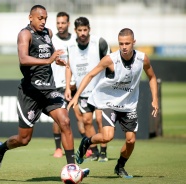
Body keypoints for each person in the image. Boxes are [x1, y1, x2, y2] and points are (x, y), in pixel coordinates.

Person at [0, 5, 89, 177]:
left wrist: (56, 60)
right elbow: (23, 59)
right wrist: (49, 60)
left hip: (49, 89)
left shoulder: (48, 33)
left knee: (65, 121)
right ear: (31, 17)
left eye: (45, 18)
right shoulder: (25, 34)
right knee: (24, 139)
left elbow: (48, 55)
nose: (43, 21)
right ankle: (1, 148)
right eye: (40, 18)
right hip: (30, 92)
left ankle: (72, 168)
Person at [67, 28, 159, 178]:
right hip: (109, 102)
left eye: (127, 43)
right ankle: (86, 142)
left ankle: (120, 167)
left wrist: (155, 99)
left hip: (129, 105)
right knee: (107, 137)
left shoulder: (143, 59)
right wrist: (76, 95)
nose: (124, 47)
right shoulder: (110, 59)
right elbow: (90, 75)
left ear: (133, 42)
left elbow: (152, 77)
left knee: (131, 140)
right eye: (121, 43)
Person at [65, 17, 110, 162]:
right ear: (75, 31)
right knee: (87, 121)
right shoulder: (71, 47)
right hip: (83, 92)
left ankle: (104, 151)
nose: (83, 33)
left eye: (85, 30)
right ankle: (94, 150)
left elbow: (110, 62)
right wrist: (67, 87)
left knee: (99, 120)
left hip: (101, 90)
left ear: (89, 29)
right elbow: (68, 67)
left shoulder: (99, 43)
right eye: (80, 30)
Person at [51, 11, 85, 158]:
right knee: (59, 117)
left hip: (74, 85)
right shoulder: (52, 41)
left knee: (80, 116)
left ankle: (86, 146)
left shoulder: (75, 41)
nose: (60, 25)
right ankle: (58, 148)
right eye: (58, 23)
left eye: (63, 23)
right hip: (56, 84)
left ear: (68, 24)